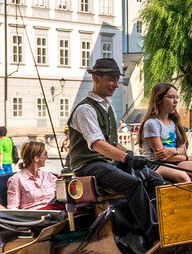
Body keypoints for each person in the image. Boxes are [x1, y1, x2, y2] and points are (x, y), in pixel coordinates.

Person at [66, 57, 163, 254]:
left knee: (155, 178)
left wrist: (130, 154)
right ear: (95, 78)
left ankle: (154, 225)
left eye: (117, 79)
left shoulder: (107, 107)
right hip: (88, 166)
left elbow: (110, 143)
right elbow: (97, 144)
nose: (116, 85)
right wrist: (126, 158)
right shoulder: (85, 109)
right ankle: (153, 235)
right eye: (111, 79)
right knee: (132, 184)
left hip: (105, 162)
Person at [140, 82, 192, 184]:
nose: (175, 101)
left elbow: (182, 149)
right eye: (171, 97)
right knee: (183, 177)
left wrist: (173, 151)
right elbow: (162, 156)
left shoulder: (174, 122)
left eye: (177, 98)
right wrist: (189, 158)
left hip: (174, 160)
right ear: (158, 99)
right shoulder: (152, 123)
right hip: (155, 163)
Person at [8, 140, 60, 210]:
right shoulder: (16, 179)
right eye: (45, 154)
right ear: (36, 158)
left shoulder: (49, 176)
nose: (47, 157)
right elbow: (12, 208)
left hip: (53, 213)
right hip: (33, 217)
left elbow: (61, 197)